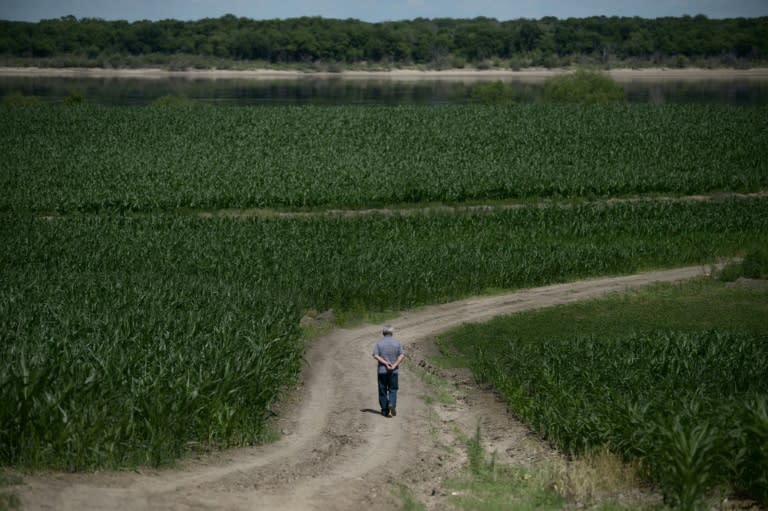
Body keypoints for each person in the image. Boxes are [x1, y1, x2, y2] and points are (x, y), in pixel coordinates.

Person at [372, 325, 405, 417]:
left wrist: (386, 363)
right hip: (393, 371)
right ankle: (392, 404)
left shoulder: (379, 343)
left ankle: (385, 410)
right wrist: (394, 365)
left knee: (382, 390)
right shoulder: (397, 343)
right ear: (392, 333)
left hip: (382, 371)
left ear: (383, 333)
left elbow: (375, 355)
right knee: (393, 389)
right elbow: (402, 355)